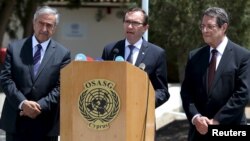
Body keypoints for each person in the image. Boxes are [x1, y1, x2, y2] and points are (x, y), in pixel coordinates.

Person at [0, 6, 71, 141]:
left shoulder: (63, 54)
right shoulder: (14, 48)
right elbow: (6, 79)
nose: (44, 29)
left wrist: (38, 107)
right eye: (41, 23)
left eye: (49, 25)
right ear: (34, 23)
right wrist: (23, 104)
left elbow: (61, 86)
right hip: (16, 120)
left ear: (54, 28)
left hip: (46, 124)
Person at [180, 7, 250, 141]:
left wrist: (217, 121)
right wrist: (196, 118)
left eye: (210, 26)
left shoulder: (243, 56)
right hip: (199, 132)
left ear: (223, 27)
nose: (204, 31)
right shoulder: (194, 56)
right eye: (202, 26)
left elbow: (242, 94)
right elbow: (187, 92)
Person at [101, 7, 170, 108]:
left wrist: (144, 102)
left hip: (141, 117)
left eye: (135, 23)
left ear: (145, 28)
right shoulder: (111, 50)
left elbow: (162, 91)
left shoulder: (156, 53)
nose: (129, 26)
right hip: (113, 115)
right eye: (127, 22)